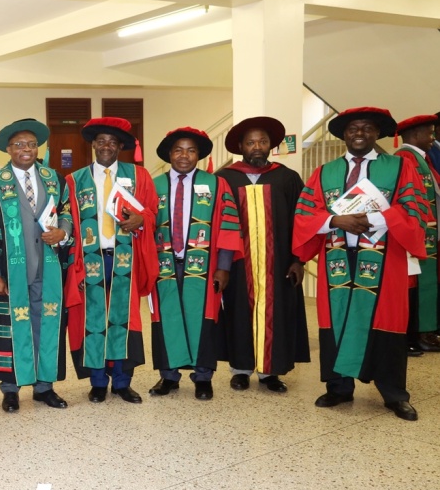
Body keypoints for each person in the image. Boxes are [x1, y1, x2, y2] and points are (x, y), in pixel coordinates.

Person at [294, 107, 425, 421]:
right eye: (353, 128)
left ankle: (394, 394)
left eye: (367, 128)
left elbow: (415, 209)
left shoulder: (399, 168)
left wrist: (375, 218)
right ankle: (339, 388)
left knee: (388, 325)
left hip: (385, 259)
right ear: (344, 134)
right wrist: (334, 220)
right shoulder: (323, 172)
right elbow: (304, 214)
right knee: (336, 320)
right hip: (336, 259)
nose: (360, 134)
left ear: (377, 133)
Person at [0, 118, 73, 412]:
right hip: (12, 269)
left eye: (32, 144)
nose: (26, 149)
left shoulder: (55, 178)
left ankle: (45, 386)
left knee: (45, 323)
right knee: (12, 325)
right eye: (19, 144)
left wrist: (64, 232)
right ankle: (10, 388)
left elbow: (68, 214)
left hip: (49, 267)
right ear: (8, 149)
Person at [65, 118, 158, 404]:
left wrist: (142, 219)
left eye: (112, 142)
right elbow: (67, 220)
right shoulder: (74, 179)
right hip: (89, 259)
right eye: (101, 141)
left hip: (125, 260)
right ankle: (97, 382)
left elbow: (153, 213)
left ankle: (121, 382)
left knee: (123, 319)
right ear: (93, 144)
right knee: (92, 320)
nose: (106, 146)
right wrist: (74, 266)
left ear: (120, 147)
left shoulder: (139, 176)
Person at [216, 116, 310, 392]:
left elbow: (301, 220)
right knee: (237, 313)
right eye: (250, 142)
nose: (257, 146)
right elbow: (217, 222)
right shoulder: (225, 178)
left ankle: (270, 371)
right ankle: (240, 369)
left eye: (263, 141)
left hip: (278, 262)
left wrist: (298, 259)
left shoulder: (287, 177)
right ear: (240, 146)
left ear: (271, 145)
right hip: (237, 262)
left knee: (276, 314)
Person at [148, 127, 242, 401]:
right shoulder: (154, 186)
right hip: (164, 263)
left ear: (198, 154)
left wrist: (224, 266)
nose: (184, 155)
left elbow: (228, 226)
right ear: (169, 154)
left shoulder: (216, 185)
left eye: (191, 150)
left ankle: (203, 377)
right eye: (178, 149)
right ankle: (169, 376)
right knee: (166, 319)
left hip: (204, 265)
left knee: (203, 319)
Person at [394, 114, 440, 353]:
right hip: (417, 235)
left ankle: (426, 332)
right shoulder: (405, 157)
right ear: (415, 135)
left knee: (427, 283)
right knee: (417, 286)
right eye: (430, 133)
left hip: (427, 234)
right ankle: (419, 334)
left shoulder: (420, 158)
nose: (433, 138)